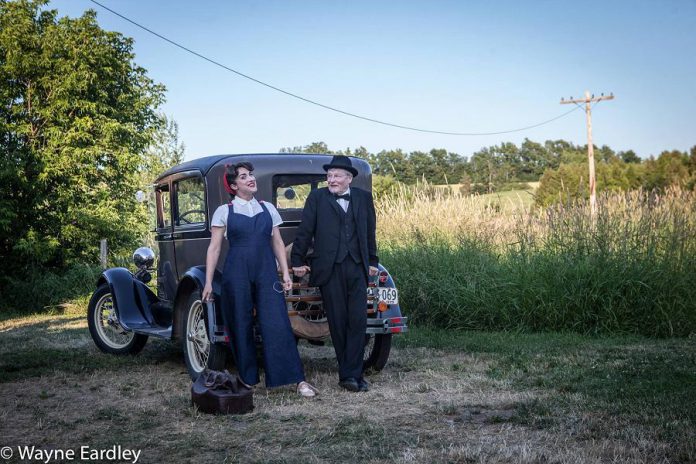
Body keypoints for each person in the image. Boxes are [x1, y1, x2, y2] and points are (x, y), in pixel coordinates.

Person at [202, 162, 318, 397]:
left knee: (277, 322)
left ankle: (296, 380)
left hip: (266, 270)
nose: (251, 179)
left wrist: (285, 272)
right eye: (244, 177)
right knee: (239, 323)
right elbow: (214, 249)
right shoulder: (224, 211)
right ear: (234, 185)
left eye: (250, 175)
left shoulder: (268, 208)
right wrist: (207, 282)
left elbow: (276, 242)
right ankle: (248, 379)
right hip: (236, 272)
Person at [291, 155, 379, 393]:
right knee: (338, 322)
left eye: (337, 176)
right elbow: (305, 230)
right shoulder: (317, 198)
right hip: (329, 268)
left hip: (357, 265)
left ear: (349, 178)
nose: (331, 180)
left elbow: (369, 231)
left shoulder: (363, 198)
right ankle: (350, 376)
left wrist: (373, 260)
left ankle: (351, 373)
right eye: (329, 176)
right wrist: (297, 260)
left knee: (358, 321)